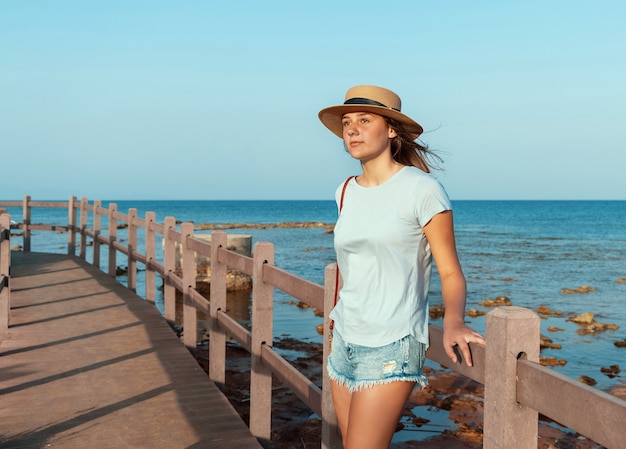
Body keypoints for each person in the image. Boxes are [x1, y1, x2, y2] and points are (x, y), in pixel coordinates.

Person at [318, 85, 486, 449]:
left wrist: (454, 321)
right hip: (344, 338)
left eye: (365, 119)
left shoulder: (422, 189)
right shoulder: (345, 190)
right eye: (347, 121)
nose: (352, 129)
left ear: (392, 130)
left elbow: (450, 270)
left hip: (391, 344)